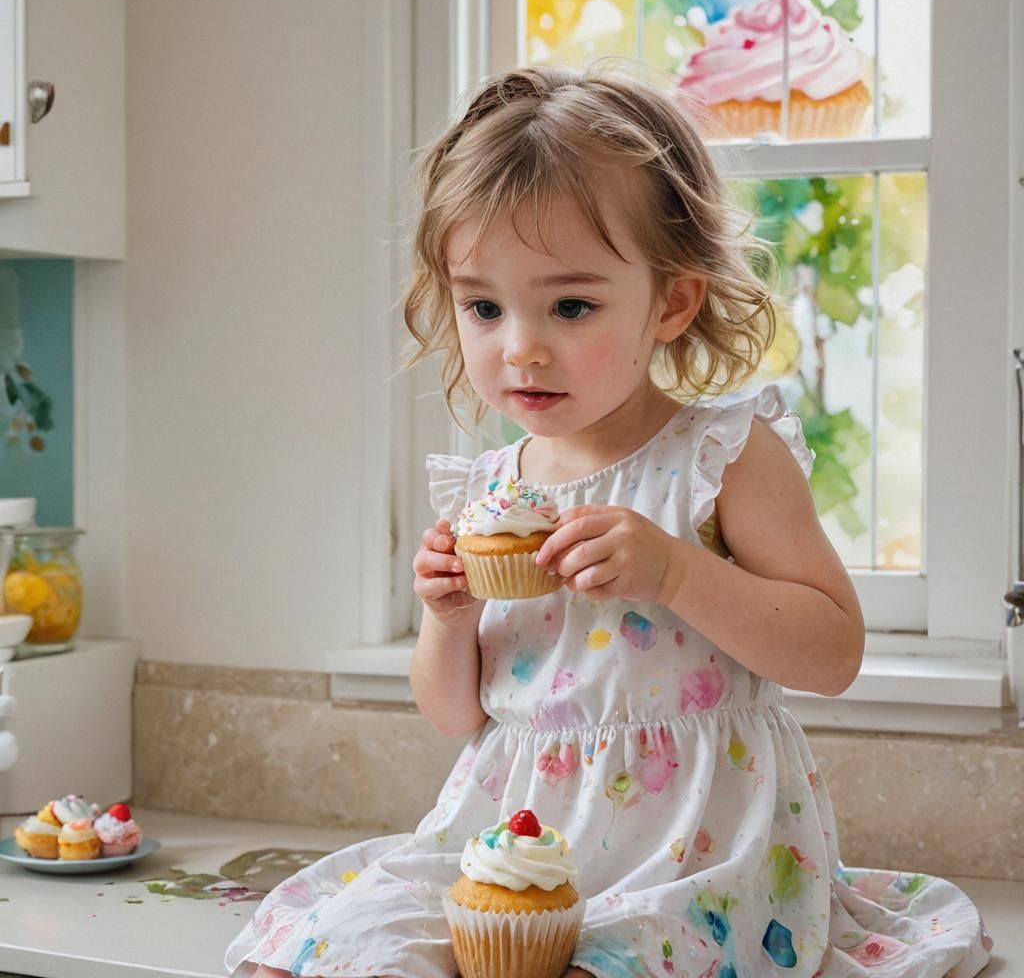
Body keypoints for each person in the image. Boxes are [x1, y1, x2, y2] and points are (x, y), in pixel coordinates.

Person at [226, 64, 993, 978]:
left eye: (572, 305)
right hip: (506, 842)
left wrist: (677, 573)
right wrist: (448, 618)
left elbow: (831, 655)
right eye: (482, 306)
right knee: (341, 948)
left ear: (671, 301)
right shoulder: (489, 490)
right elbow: (453, 715)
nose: (521, 347)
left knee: (622, 960)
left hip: (697, 853)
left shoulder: (723, 457)